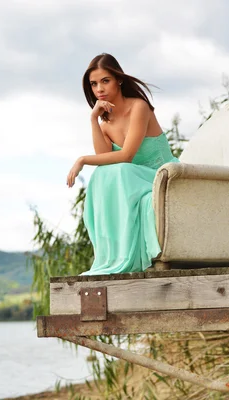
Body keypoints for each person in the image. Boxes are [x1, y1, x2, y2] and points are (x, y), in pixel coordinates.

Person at [66, 53, 179, 275]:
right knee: (103, 174)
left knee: (120, 171)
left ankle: (126, 258)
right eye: (94, 84)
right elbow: (105, 160)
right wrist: (93, 121)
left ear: (118, 80)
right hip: (133, 179)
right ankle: (110, 257)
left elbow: (126, 156)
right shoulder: (105, 123)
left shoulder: (139, 107)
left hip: (163, 176)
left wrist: (82, 160)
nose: (99, 88)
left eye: (105, 81)